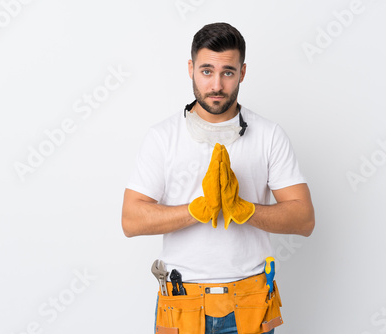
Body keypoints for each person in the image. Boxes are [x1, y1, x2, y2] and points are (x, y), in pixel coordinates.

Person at [122, 22, 315, 334]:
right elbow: (131, 220)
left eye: (228, 72)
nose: (216, 84)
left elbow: (304, 219)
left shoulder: (268, 135)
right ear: (191, 69)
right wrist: (197, 210)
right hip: (181, 299)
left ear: (242, 72)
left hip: (250, 300)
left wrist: (245, 210)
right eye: (206, 70)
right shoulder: (162, 137)